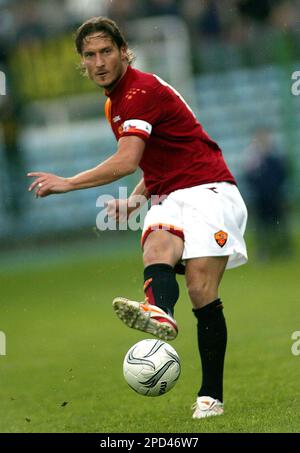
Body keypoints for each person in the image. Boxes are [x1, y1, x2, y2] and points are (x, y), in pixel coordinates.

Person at [27, 16, 248, 419]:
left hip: (209, 189)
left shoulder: (140, 90)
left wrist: (68, 183)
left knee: (200, 289)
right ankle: (159, 312)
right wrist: (134, 200)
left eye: (106, 51)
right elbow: (156, 158)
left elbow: (128, 160)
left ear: (123, 51)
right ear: (82, 62)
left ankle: (210, 396)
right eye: (90, 55)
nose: (99, 62)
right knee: (156, 242)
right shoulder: (114, 101)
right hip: (168, 192)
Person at [244, 127, 291, 261]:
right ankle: (264, 251)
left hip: (275, 196)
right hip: (260, 198)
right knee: (261, 228)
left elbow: (283, 173)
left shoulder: (275, 156)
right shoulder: (253, 158)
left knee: (280, 225)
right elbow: (249, 177)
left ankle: (283, 250)